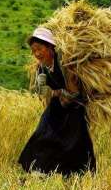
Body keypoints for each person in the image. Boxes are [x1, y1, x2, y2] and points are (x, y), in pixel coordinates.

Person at [18, 27, 96, 176]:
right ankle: (39, 169)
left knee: (75, 142)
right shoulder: (41, 68)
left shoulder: (65, 64)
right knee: (43, 132)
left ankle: (79, 175)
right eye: (34, 51)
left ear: (50, 47)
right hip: (57, 106)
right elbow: (42, 93)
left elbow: (74, 93)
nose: (37, 54)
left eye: (40, 49)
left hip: (75, 106)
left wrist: (56, 92)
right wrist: (44, 91)